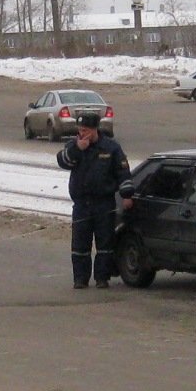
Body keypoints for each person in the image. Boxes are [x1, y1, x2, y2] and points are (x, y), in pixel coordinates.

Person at [55, 113, 132, 289]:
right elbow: (62, 161)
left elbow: (123, 172)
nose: (82, 133)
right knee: (80, 244)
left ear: (94, 129)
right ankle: (80, 279)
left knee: (105, 243)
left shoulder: (111, 148)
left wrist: (127, 195)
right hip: (82, 204)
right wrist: (77, 148)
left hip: (103, 204)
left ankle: (102, 278)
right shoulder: (75, 145)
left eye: (85, 130)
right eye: (80, 130)